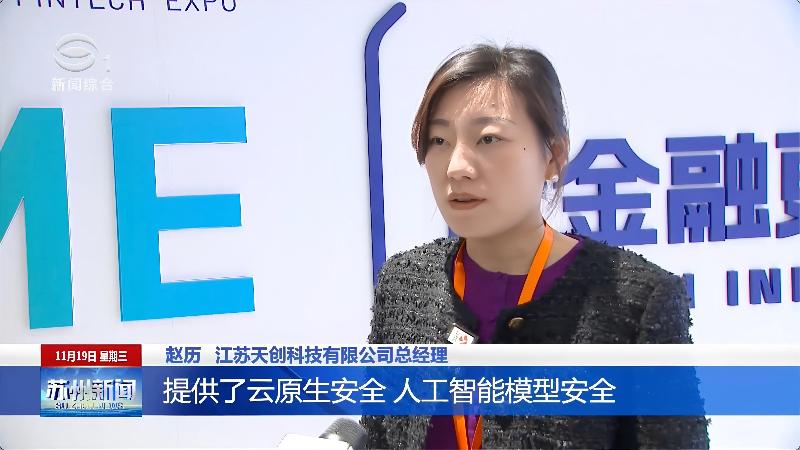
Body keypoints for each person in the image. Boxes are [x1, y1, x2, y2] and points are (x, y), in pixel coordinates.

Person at [360, 44, 709, 449]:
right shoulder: (404, 285)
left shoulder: (637, 302)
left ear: (554, 156)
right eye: (439, 140)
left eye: (488, 138)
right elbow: (380, 435)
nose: (456, 167)